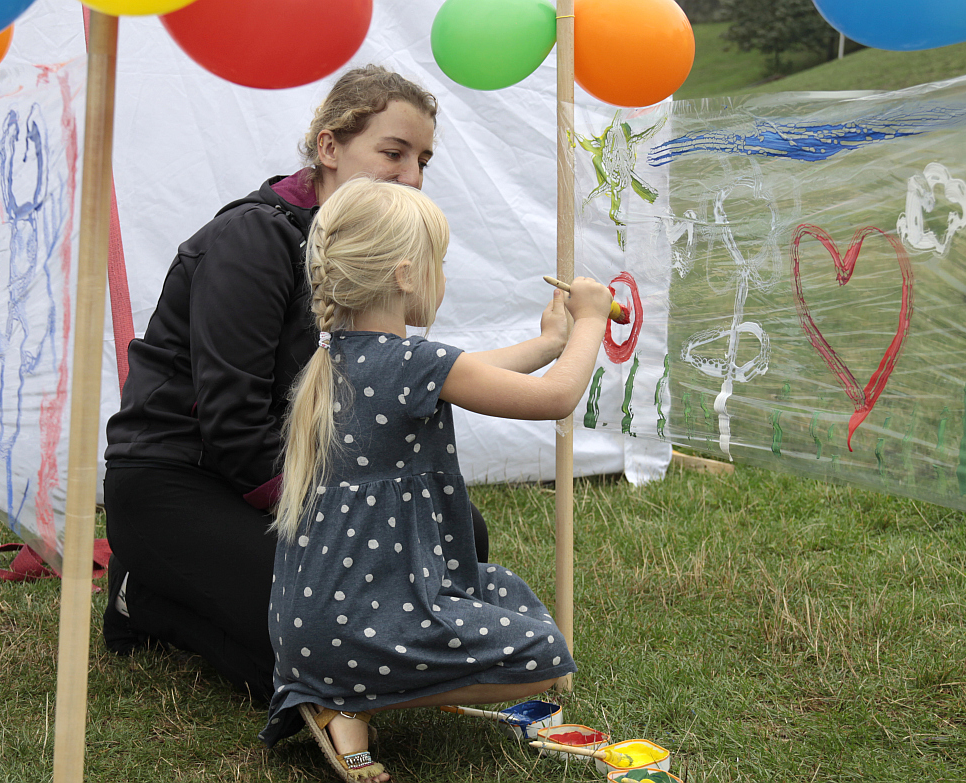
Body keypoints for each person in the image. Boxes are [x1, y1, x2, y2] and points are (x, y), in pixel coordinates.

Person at [102, 65, 571, 702]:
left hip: (286, 474)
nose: (411, 175)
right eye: (393, 152)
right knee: (294, 649)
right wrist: (335, 520)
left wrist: (547, 345)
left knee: (462, 536)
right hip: (177, 480)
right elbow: (234, 429)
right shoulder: (252, 240)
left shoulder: (359, 251)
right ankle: (145, 598)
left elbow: (414, 375)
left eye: (423, 160)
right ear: (328, 147)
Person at [259, 177, 613, 783]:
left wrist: (551, 339)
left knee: (505, 593)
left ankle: (336, 691)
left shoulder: (336, 358)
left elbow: (473, 373)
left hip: (309, 627)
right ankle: (350, 699)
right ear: (404, 275)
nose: (441, 276)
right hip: (366, 624)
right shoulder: (407, 363)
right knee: (548, 664)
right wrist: (591, 321)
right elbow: (555, 398)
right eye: (438, 263)